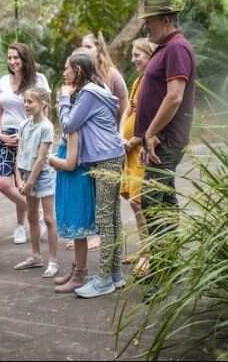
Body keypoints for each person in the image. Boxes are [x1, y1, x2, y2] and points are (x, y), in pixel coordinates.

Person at [133, 0, 197, 302]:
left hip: (165, 141)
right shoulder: (165, 48)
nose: (146, 25)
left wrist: (151, 132)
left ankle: (162, 275)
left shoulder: (177, 48)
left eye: (150, 20)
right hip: (158, 140)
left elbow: (174, 97)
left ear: (166, 20)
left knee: (152, 204)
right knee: (166, 203)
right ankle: (171, 268)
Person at [58, 53, 127, 298]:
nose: (64, 73)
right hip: (113, 155)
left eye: (66, 69)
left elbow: (68, 125)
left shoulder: (88, 93)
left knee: (105, 219)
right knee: (113, 218)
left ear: (77, 70)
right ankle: (115, 274)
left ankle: (103, 279)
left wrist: (64, 98)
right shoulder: (100, 88)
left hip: (106, 158)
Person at [0, 42, 50, 245]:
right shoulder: (3, 81)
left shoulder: (39, 79)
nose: (12, 61)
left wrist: (30, 135)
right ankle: (38, 213)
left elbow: (45, 111)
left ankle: (20, 226)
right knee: (3, 183)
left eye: (16, 57)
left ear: (25, 59)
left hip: (30, 135)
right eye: (9, 58)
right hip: (5, 136)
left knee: (22, 183)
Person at [12, 87, 59, 278]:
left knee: (48, 218)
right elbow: (20, 152)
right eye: (25, 101)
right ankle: (35, 256)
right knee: (31, 216)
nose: (26, 105)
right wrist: (18, 178)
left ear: (42, 104)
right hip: (26, 175)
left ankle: (53, 260)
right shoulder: (24, 125)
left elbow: (41, 158)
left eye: (30, 102)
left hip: (42, 176)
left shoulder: (46, 127)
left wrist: (30, 183)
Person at [120, 38, 156, 275]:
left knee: (140, 201)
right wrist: (120, 135)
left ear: (150, 55)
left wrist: (134, 139)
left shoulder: (154, 82)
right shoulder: (138, 81)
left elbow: (153, 115)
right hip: (129, 149)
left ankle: (149, 253)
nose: (133, 59)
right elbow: (128, 110)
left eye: (137, 55)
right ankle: (144, 248)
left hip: (141, 147)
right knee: (133, 201)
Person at [50, 130, 97, 293]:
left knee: (78, 227)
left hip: (75, 180)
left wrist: (51, 159)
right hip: (71, 180)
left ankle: (79, 273)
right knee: (76, 228)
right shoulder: (71, 129)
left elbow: (70, 164)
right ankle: (76, 268)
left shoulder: (73, 130)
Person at [82, 32, 129, 124]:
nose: (85, 51)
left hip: (109, 130)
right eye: (83, 48)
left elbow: (124, 109)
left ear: (99, 49)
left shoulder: (113, 75)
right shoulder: (79, 75)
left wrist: (121, 131)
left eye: (88, 47)